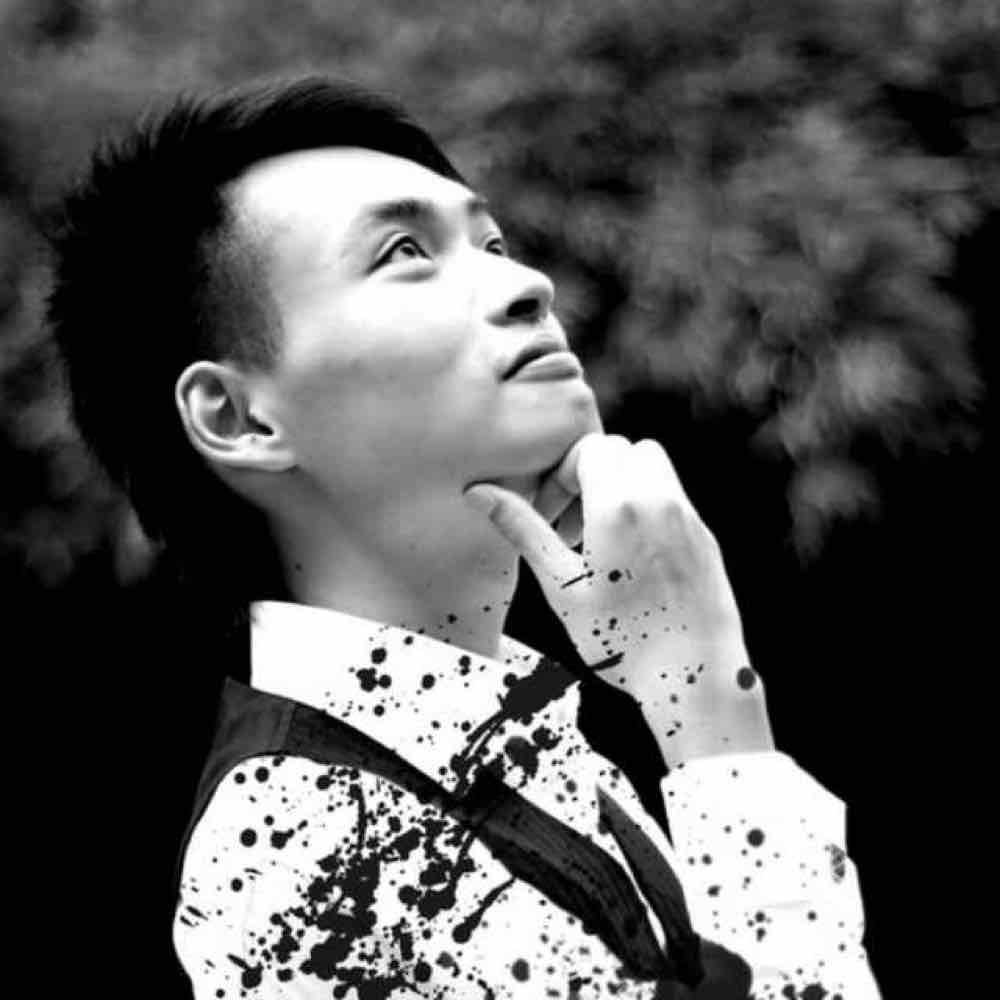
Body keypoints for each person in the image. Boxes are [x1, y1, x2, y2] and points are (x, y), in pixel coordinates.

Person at [46, 75, 881, 999]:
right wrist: (711, 701)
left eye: (492, 244)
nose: (529, 285)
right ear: (238, 417)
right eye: (405, 252)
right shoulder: (305, 850)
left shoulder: (511, 741)